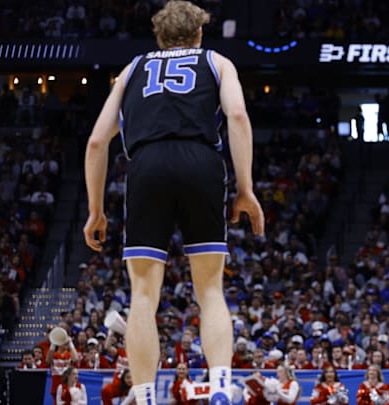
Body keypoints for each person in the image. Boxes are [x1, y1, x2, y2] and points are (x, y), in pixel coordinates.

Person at [83, 2, 265, 405]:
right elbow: (236, 115)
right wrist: (246, 189)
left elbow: (97, 142)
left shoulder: (132, 69)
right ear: (199, 35)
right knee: (210, 289)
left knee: (143, 294)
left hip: (146, 166)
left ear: (158, 38)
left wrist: (96, 210)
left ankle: (146, 394)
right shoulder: (216, 61)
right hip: (201, 162)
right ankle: (219, 386)